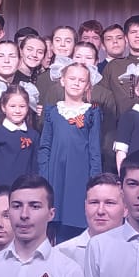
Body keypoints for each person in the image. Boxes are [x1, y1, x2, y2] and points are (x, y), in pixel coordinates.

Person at [39, 62, 103, 241]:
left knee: (77, 225)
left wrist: (95, 182)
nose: (76, 83)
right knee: (55, 228)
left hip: (80, 177)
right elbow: (45, 147)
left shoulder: (91, 113)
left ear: (87, 85)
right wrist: (44, 178)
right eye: (72, 78)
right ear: (62, 81)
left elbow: (95, 150)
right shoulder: (52, 112)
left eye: (81, 80)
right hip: (55, 177)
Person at [0, 84, 39, 199]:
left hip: (23, 194)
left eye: (22, 106)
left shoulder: (33, 135)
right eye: (12, 106)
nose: (17, 110)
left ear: (28, 107)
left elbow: (35, 168)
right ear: (3, 107)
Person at [57, 173, 127, 266]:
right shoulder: (61, 255)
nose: (100, 211)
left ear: (126, 209)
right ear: (85, 206)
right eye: (94, 202)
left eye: (109, 203)